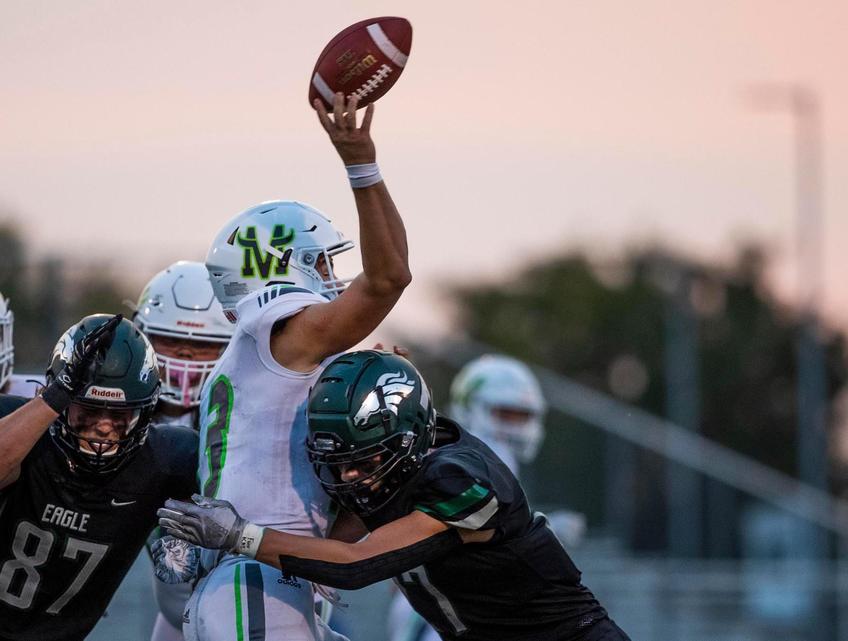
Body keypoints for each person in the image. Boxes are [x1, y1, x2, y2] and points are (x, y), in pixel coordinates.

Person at [159, 350, 630, 641]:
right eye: (337, 458)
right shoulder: (400, 454)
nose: (348, 473)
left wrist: (241, 535)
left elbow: (356, 562)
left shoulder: (460, 479)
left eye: (363, 459)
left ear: (407, 441)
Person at [179, 91, 411, 641]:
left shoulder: (258, 358)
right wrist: (362, 163)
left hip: (267, 574)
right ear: (285, 267)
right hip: (259, 579)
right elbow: (389, 279)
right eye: (323, 262)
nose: (333, 277)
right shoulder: (278, 328)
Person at [0, 314, 198, 641]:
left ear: (145, 410)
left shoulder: (165, 460)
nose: (104, 425)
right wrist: (56, 395)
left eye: (120, 414)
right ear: (59, 400)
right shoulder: (22, 432)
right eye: (88, 409)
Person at [388, 355, 586, 641]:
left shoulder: (458, 456)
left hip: (442, 602)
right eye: (505, 414)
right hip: (447, 607)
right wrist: (549, 531)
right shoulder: (474, 461)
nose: (515, 427)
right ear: (470, 406)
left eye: (522, 416)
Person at [133, 261, 234, 641]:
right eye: (169, 341)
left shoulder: (249, 407)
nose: (186, 357)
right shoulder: (112, 411)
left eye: (204, 344)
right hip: (176, 612)